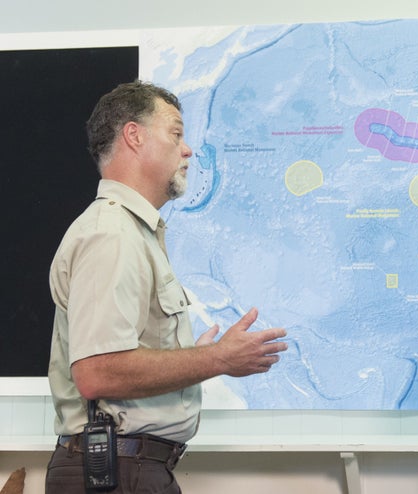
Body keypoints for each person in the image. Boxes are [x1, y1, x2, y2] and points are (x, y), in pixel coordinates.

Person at [45, 80, 288, 493]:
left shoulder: (131, 233)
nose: (188, 149)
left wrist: (198, 356)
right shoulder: (112, 234)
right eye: (176, 133)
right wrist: (216, 358)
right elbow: (98, 372)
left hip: (127, 471)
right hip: (114, 473)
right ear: (134, 136)